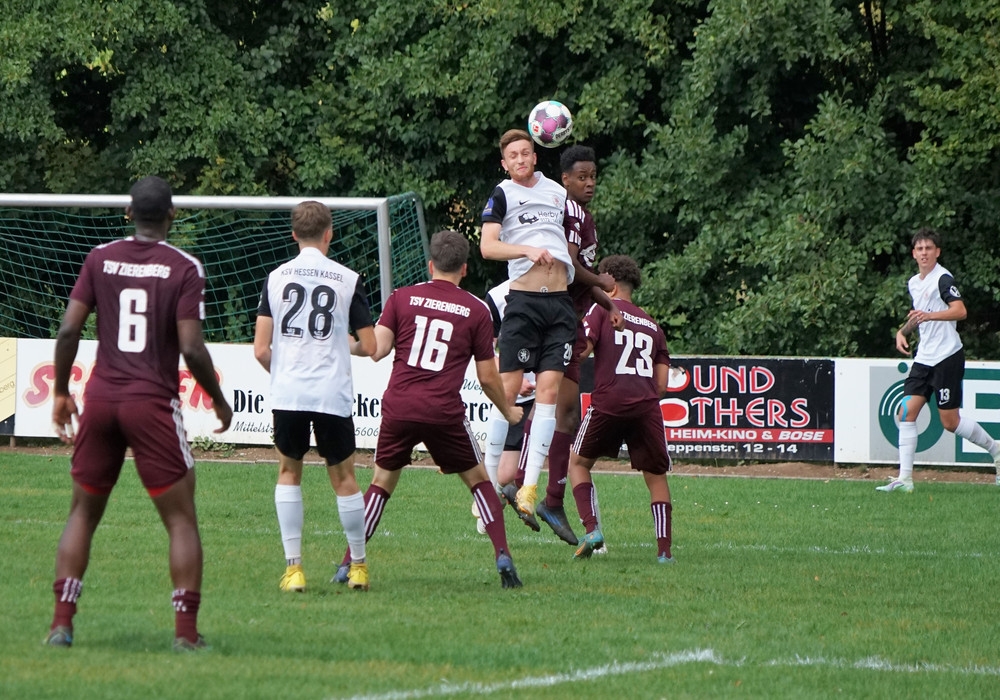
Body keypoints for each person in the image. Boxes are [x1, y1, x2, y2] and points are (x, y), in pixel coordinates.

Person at [47, 175, 233, 651]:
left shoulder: (99, 258)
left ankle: (61, 625)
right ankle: (185, 634)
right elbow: (191, 347)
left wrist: (62, 391)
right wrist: (216, 397)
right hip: (150, 403)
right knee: (181, 519)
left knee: (82, 512)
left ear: (128, 213)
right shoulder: (184, 267)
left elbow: (68, 331)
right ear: (172, 215)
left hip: (102, 399)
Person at [331, 230, 525, 588]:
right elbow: (486, 377)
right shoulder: (477, 310)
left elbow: (376, 350)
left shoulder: (401, 298)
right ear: (464, 269)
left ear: (430, 265)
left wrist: (346, 342)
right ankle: (503, 554)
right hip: (443, 410)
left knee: (381, 484)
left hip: (400, 406)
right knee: (480, 482)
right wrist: (509, 410)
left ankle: (347, 564)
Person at [253, 201, 377, 592]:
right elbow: (370, 345)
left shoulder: (276, 277)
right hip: (330, 391)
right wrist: (345, 345)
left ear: (293, 234)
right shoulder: (347, 279)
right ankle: (358, 567)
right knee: (344, 478)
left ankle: (294, 570)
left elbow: (260, 349)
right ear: (329, 234)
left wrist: (286, 372)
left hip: (289, 392)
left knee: (289, 473)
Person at [479, 128, 577, 523]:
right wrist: (527, 250)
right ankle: (486, 489)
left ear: (535, 156)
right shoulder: (502, 193)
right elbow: (488, 246)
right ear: (505, 164)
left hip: (560, 304)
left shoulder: (557, 192)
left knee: (549, 391)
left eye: (526, 153)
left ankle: (529, 488)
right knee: (507, 393)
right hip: (523, 302)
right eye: (513, 156)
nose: (520, 159)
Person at [568, 255, 676, 564]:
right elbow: (662, 385)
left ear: (610, 284)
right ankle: (664, 552)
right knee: (656, 476)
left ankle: (592, 530)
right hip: (646, 406)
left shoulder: (601, 310)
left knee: (577, 463)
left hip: (609, 401)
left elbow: (582, 351)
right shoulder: (654, 326)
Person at [877, 228, 1000, 492]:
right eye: (920, 249)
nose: (924, 253)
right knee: (906, 412)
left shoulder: (943, 279)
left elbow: (960, 310)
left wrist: (930, 315)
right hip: (924, 358)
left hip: (947, 357)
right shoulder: (914, 282)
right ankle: (905, 480)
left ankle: (996, 450)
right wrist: (903, 331)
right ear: (914, 254)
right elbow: (919, 315)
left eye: (929, 248)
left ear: (937, 252)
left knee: (950, 422)